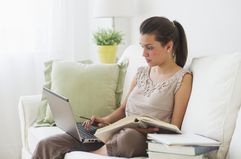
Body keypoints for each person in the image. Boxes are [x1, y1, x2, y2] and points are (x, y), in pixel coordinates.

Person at [32, 16, 192, 159]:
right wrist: (105, 121)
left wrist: (143, 130)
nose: (143, 54)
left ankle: (93, 153)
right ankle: (96, 146)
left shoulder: (182, 78)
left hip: (140, 138)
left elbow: (175, 127)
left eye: (149, 47)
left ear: (169, 46)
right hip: (117, 131)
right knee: (47, 144)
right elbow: (123, 110)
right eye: (142, 46)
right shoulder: (142, 72)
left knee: (127, 138)